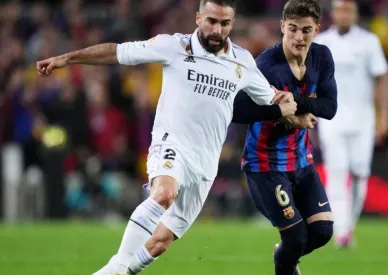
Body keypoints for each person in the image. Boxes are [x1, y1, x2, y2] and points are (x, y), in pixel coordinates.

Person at [37, 1, 297, 274]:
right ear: (198, 18)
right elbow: (117, 52)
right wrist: (67, 58)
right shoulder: (172, 46)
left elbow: (274, 100)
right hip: (171, 143)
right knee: (163, 194)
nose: (217, 29)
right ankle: (119, 265)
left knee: (159, 242)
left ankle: (116, 272)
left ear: (232, 23)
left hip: (206, 164)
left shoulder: (242, 61)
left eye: (224, 23)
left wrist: (301, 111)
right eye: (211, 21)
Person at [233, 1, 337, 274]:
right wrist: (284, 114)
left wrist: (297, 104)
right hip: (266, 165)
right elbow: (237, 109)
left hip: (301, 161)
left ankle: (283, 256)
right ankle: (286, 260)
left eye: (306, 30)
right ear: (282, 27)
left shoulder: (322, 57)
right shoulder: (267, 65)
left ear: (317, 29)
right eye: (292, 29)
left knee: (323, 231)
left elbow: (330, 107)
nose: (299, 37)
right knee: (296, 237)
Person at [314, 0, 388, 248]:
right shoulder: (321, 42)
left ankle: (348, 224)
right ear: (334, 13)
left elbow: (382, 80)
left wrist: (384, 116)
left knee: (359, 174)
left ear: (356, 14)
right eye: (340, 10)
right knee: (337, 173)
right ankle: (342, 233)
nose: (344, 14)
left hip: (363, 119)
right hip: (331, 118)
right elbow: (310, 81)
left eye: (349, 10)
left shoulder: (369, 42)